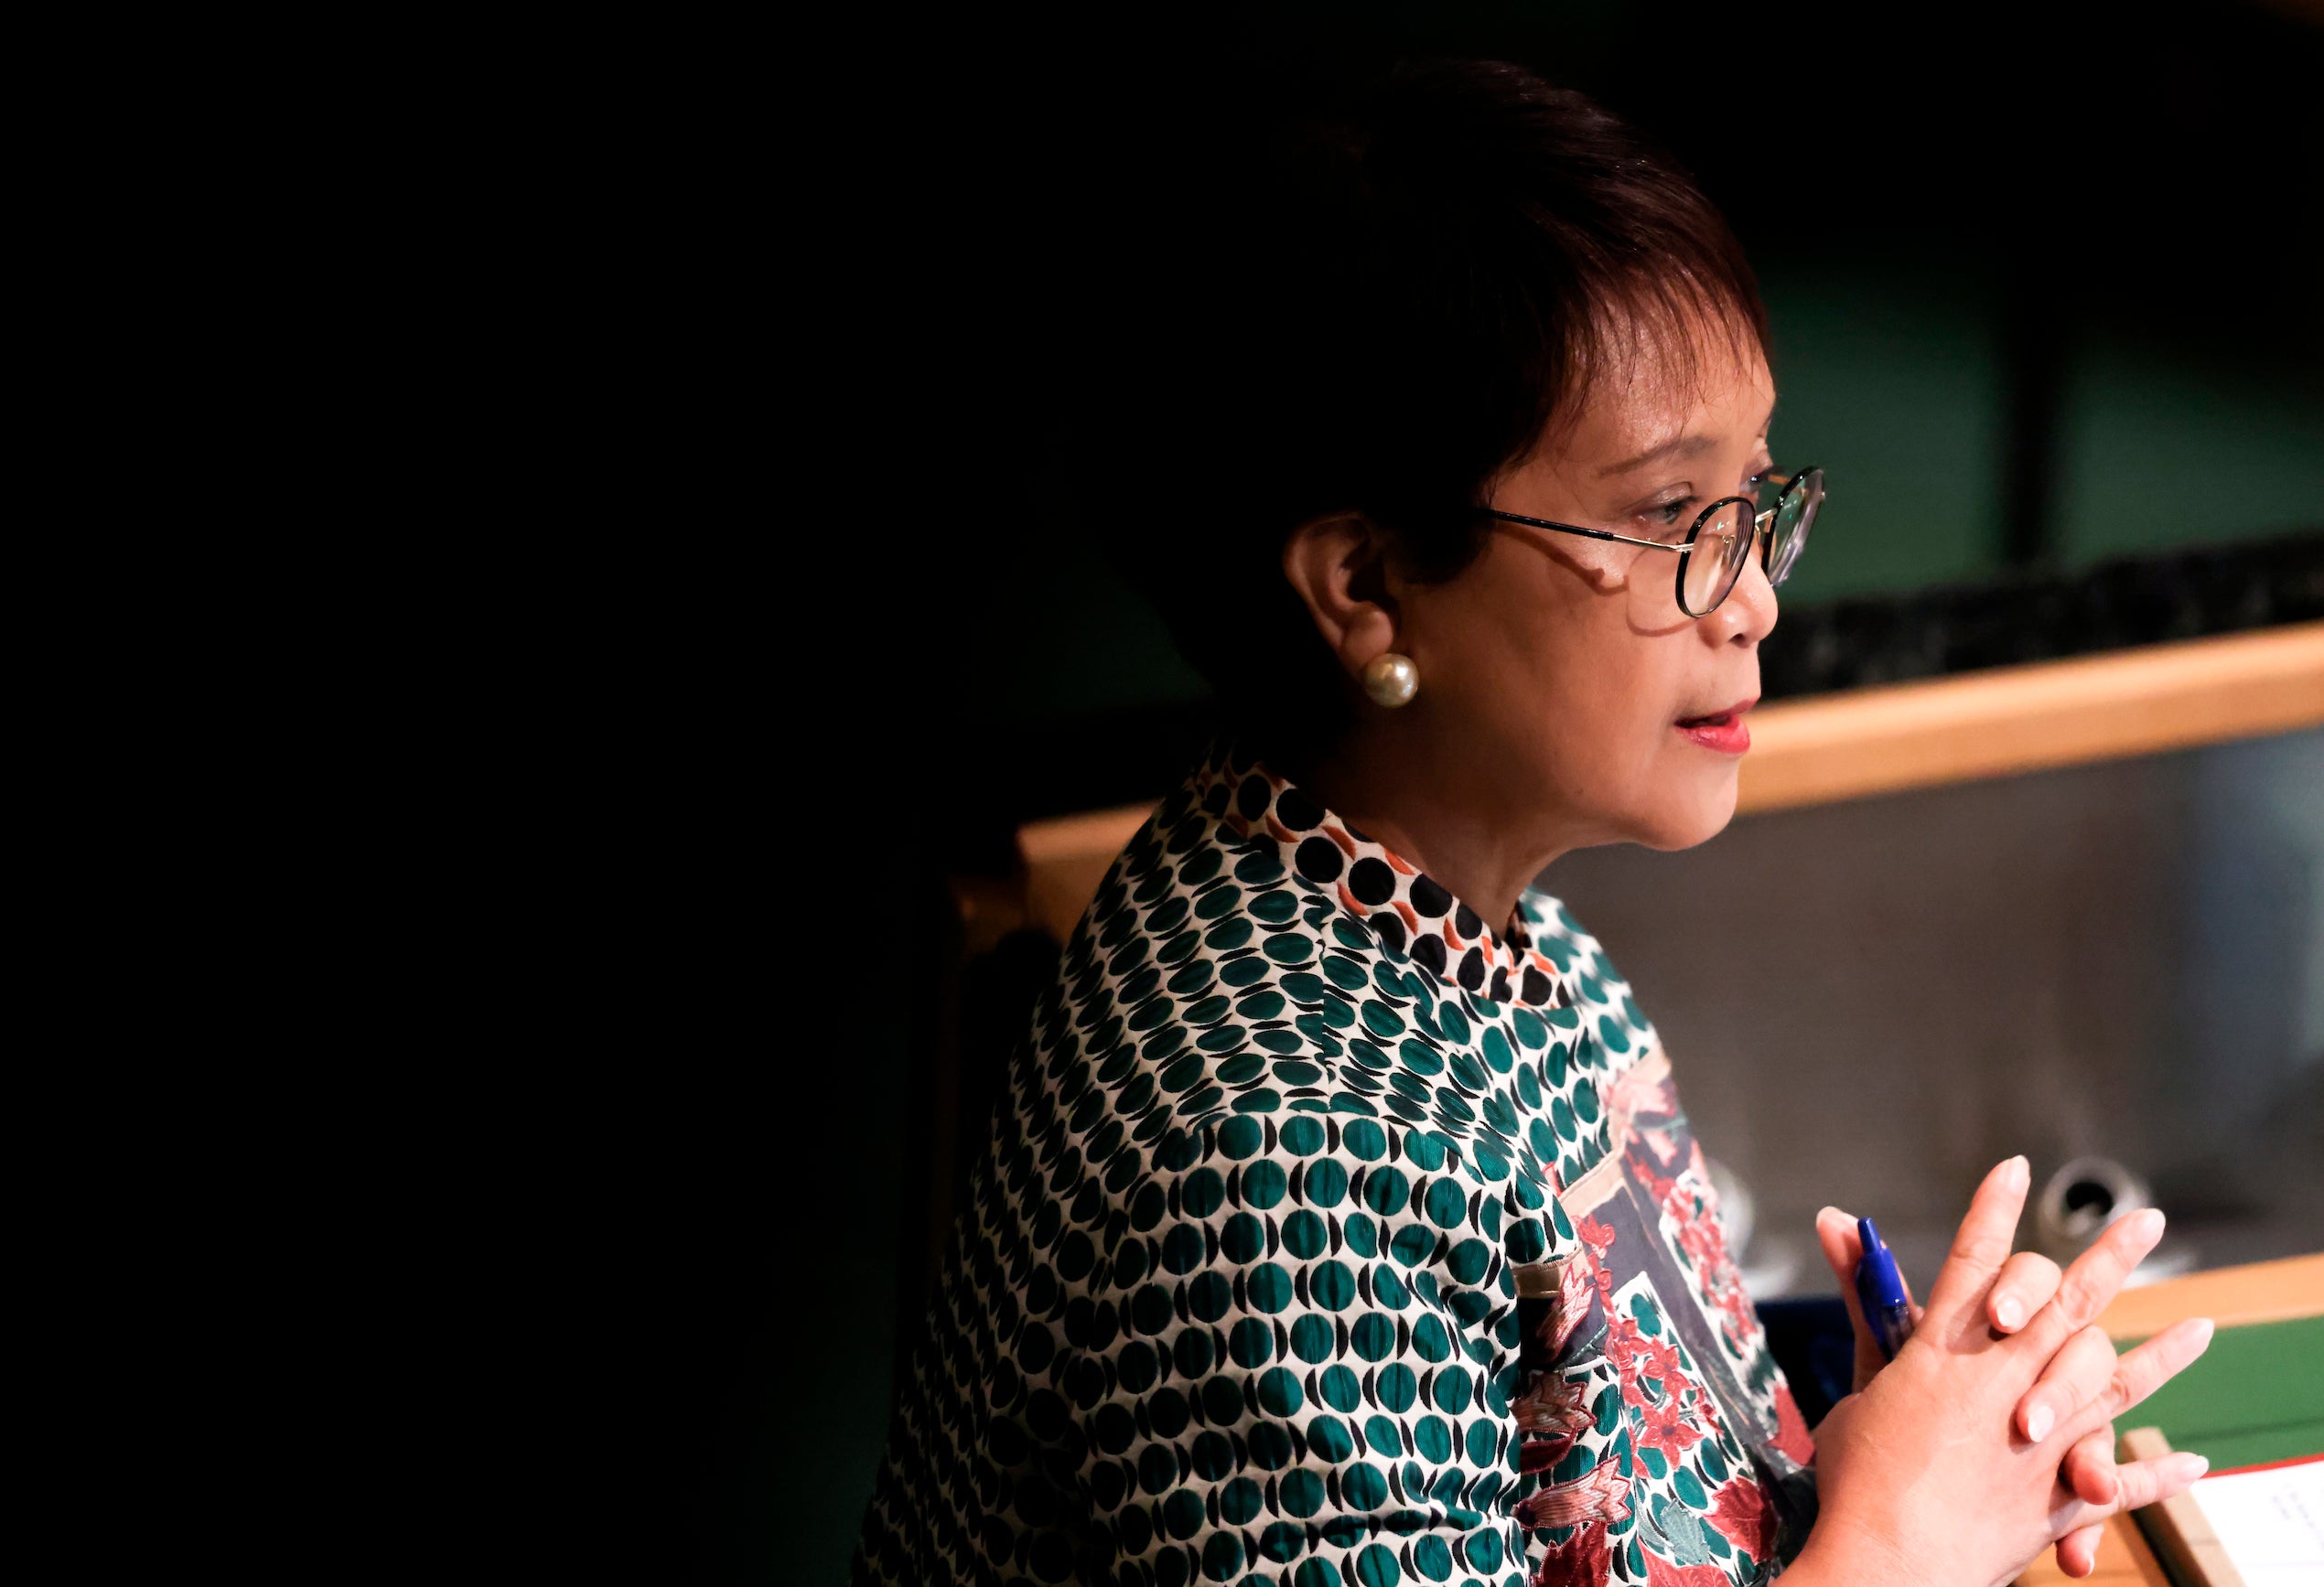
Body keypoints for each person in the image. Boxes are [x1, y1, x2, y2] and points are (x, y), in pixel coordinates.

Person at [855, 60, 2214, 1587]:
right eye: (1662, 517)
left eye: (1756, 498)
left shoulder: (1480, 922)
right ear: (1364, 586)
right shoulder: (1284, 1170)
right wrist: (1901, 1543)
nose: (1755, 595)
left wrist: (1931, 1448)